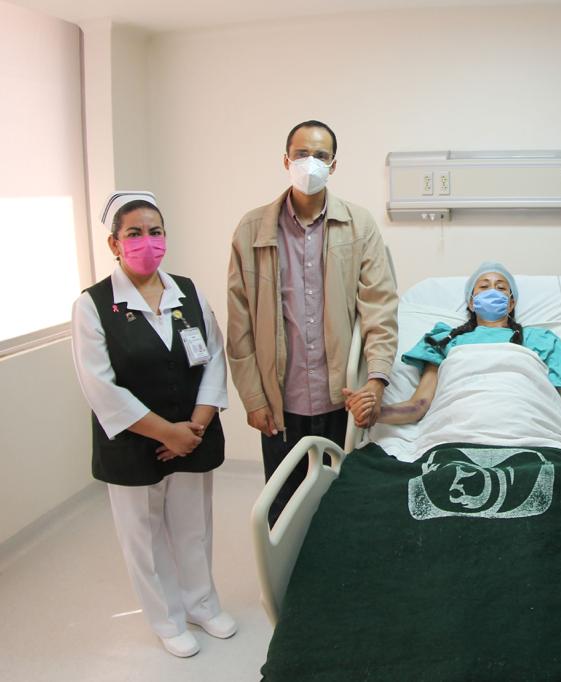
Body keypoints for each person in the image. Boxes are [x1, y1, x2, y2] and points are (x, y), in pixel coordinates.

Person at [71, 191, 236, 658]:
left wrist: (195, 427)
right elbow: (99, 386)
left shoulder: (188, 291)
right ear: (114, 243)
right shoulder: (93, 305)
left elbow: (214, 357)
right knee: (144, 538)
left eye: (156, 231)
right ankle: (166, 619)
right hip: (134, 442)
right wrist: (168, 433)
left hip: (193, 434)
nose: (148, 241)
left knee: (193, 527)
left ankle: (201, 604)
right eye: (135, 233)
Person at [227, 120, 398, 526]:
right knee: (283, 509)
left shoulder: (359, 225)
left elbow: (379, 310)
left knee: (339, 509)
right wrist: (253, 398)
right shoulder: (252, 230)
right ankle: (285, 570)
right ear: (285, 160)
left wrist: (375, 382)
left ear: (333, 165)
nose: (311, 163)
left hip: (341, 399)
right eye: (302, 154)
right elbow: (239, 325)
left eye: (321, 156)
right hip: (279, 403)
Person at [345, 262, 561, 466]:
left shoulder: (540, 339)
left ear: (512, 302)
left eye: (501, 287)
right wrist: (376, 413)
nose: (493, 291)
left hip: (531, 432)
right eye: (484, 286)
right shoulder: (446, 340)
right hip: (456, 435)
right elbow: (419, 405)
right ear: (471, 301)